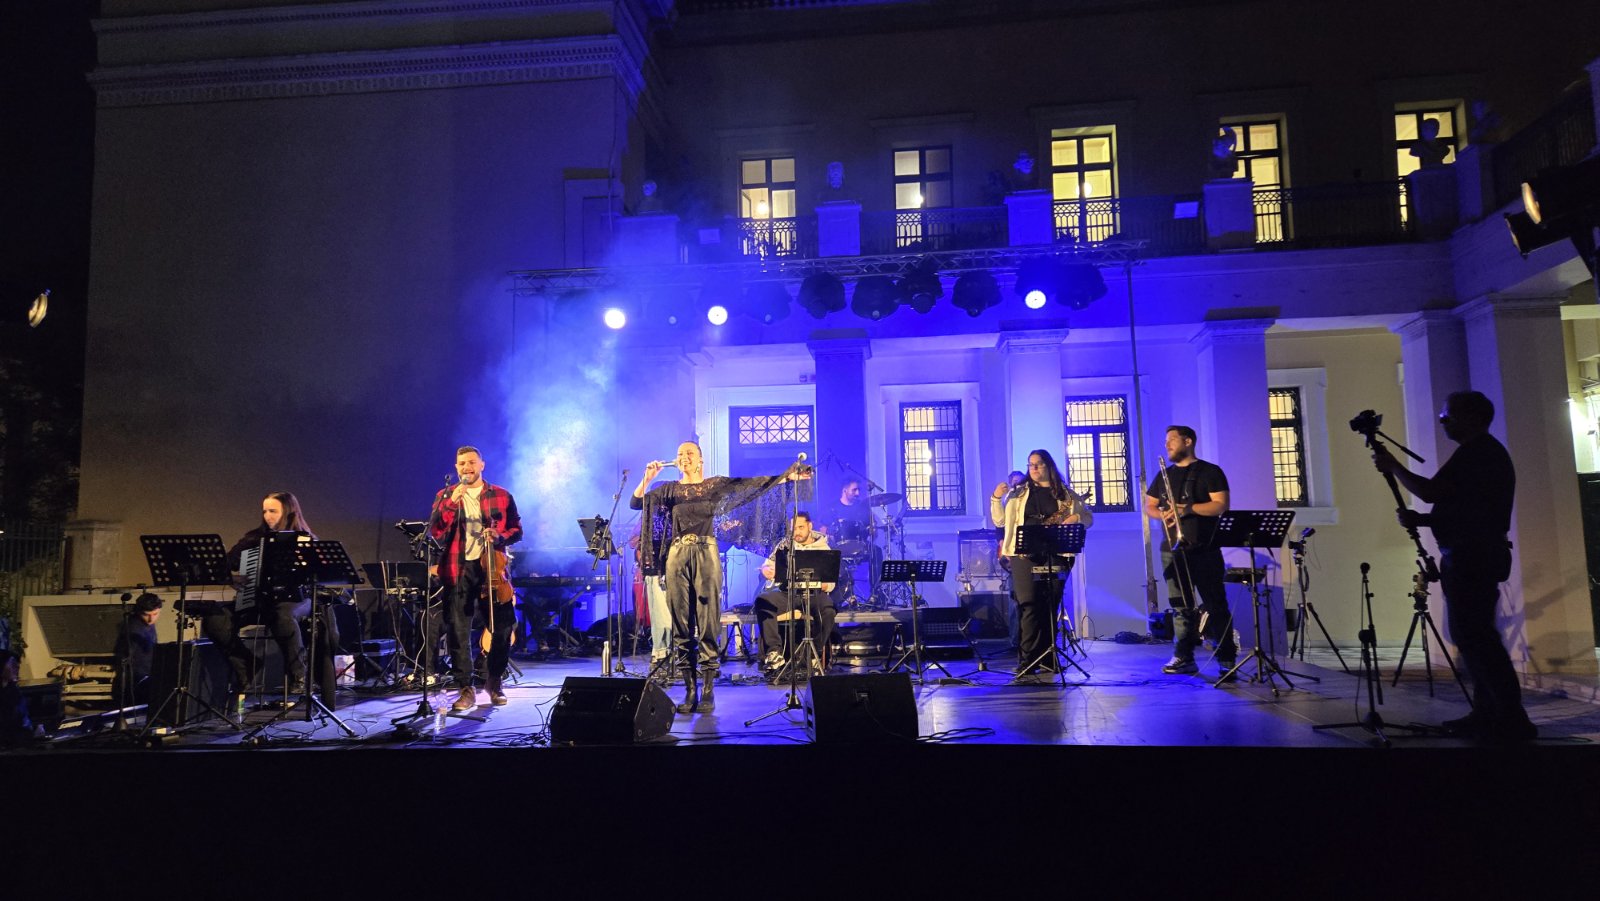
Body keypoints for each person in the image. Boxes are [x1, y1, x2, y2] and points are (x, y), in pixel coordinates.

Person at [1371, 390, 1533, 742]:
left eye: (1447, 417)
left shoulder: (1479, 453)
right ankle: (1488, 713)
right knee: (1472, 636)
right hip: (1471, 552)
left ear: (1471, 417)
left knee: (1477, 637)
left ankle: (1509, 716)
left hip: (1473, 556)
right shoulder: (1480, 453)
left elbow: (1432, 492)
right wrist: (1425, 520)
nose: (1442, 422)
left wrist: (1394, 466)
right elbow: (1466, 507)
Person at [632, 442, 810, 714]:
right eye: (680, 454)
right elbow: (636, 503)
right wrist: (648, 478)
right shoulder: (669, 490)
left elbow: (750, 485)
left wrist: (786, 476)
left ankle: (707, 690)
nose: (684, 457)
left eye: (689, 453)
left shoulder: (713, 485)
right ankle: (689, 690)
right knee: (680, 620)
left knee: (707, 619)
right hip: (677, 555)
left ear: (700, 460)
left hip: (706, 552)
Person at [427, 446, 522, 711]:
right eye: (461, 463)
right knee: (458, 630)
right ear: (456, 467)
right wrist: (451, 503)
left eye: (471, 462)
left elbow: (517, 529)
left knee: (503, 628)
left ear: (482, 465)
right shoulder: (446, 495)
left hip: (492, 568)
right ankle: (465, 689)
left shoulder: (501, 495)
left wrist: (500, 536)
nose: (466, 467)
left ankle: (494, 681)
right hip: (459, 569)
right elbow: (436, 531)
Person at [202, 491, 318, 698]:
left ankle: (299, 676)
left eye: (273, 511)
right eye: (265, 511)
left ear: (288, 512)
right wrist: (230, 579)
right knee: (215, 618)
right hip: (259, 600)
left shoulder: (304, 539)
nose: (267, 516)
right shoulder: (254, 538)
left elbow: (316, 575)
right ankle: (247, 664)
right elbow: (225, 564)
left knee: (283, 616)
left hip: (295, 600)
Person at [991, 450, 1093, 679]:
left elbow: (1088, 517)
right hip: (1023, 555)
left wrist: (1076, 518)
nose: (1034, 468)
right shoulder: (1018, 493)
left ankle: (1048, 659)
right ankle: (1027, 660)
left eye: (1038, 464)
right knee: (1028, 606)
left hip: (1057, 554)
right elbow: (999, 520)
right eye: (1031, 465)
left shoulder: (1066, 494)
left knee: (1050, 606)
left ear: (1049, 466)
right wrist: (996, 498)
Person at [1144, 426, 1235, 678]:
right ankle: (1184, 656)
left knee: (1216, 605)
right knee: (1180, 607)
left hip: (1204, 547)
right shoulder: (1165, 474)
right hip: (1172, 549)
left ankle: (1226, 658)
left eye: (1172, 440)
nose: (1167, 445)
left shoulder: (1210, 471)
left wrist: (1187, 509)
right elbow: (1149, 505)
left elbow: (1221, 505)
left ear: (1188, 441)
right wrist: (1163, 514)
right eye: (1166, 441)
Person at [752, 512, 837, 674]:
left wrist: (824, 584)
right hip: (788, 593)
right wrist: (766, 570)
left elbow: (831, 583)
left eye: (800, 527)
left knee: (828, 611)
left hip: (814, 594)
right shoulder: (784, 545)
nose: (796, 532)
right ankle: (774, 652)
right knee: (763, 601)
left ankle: (814, 653)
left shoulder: (824, 548)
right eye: (793, 529)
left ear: (810, 526)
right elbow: (767, 565)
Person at [112, 592, 163, 707]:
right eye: (146, 615)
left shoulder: (147, 625)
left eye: (155, 614)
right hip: (134, 684)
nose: (150, 619)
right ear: (139, 611)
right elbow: (126, 659)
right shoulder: (133, 628)